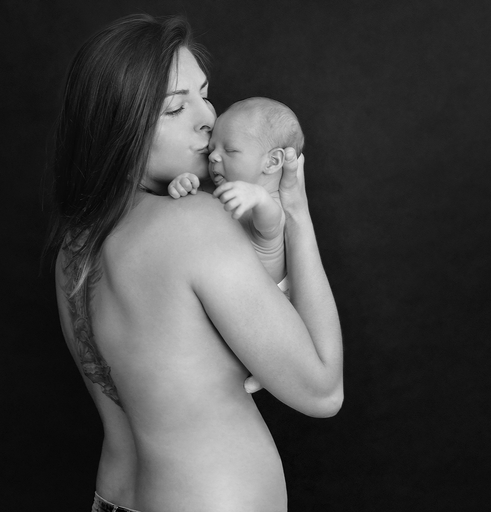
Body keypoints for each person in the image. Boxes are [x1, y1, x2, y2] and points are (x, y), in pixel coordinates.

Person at [47, 13, 343, 512]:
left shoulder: (73, 248)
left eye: (205, 95)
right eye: (176, 107)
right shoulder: (194, 222)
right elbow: (322, 391)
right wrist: (296, 211)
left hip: (112, 499)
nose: (208, 117)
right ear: (122, 125)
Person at [167, 97, 304, 290]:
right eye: (211, 149)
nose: (213, 156)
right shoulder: (220, 187)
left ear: (272, 162)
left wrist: (258, 198)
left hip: (270, 298)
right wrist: (185, 185)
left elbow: (271, 222)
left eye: (230, 150)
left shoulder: (270, 203)